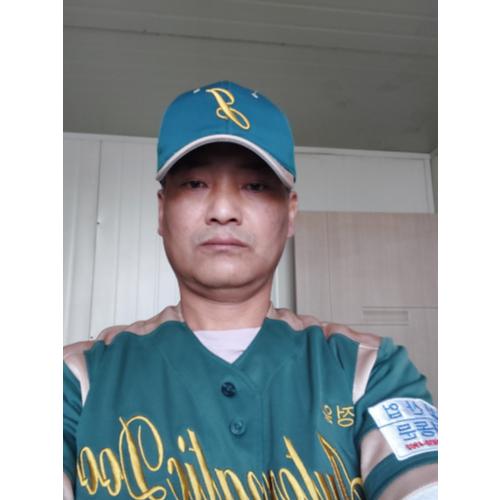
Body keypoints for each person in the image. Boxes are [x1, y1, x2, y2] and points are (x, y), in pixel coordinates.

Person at [63, 81, 438, 500]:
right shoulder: (77, 377)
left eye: (255, 186)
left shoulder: (368, 368)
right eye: (195, 184)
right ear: (161, 211)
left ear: (290, 214)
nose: (223, 211)